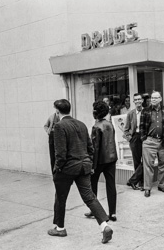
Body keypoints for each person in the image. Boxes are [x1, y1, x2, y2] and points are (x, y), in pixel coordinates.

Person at [48, 99, 113, 244]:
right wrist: (87, 162)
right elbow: (91, 148)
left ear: (57, 111)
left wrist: (58, 168)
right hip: (84, 166)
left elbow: (60, 153)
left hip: (68, 167)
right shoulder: (82, 124)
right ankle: (104, 226)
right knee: (89, 197)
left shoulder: (59, 126)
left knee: (60, 197)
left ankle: (60, 228)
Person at [85, 101, 118, 222]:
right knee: (111, 185)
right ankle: (112, 213)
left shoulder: (96, 127)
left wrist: (92, 165)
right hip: (111, 158)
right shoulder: (109, 124)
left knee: (93, 185)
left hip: (99, 161)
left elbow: (95, 148)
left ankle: (95, 210)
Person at [140, 91, 164, 197]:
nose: (153, 99)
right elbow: (141, 127)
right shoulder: (145, 111)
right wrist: (144, 139)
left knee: (163, 165)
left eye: (156, 98)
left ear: (160, 99)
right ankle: (147, 188)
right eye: (152, 98)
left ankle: (162, 185)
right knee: (148, 165)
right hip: (149, 141)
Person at [124, 93, 144, 190]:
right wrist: (130, 139)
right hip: (135, 137)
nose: (137, 101)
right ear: (133, 102)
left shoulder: (147, 112)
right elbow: (126, 129)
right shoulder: (131, 114)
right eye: (135, 100)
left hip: (145, 138)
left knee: (145, 160)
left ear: (142, 100)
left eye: (139, 99)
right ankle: (139, 183)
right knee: (136, 161)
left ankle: (133, 180)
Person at [43, 101, 60, 172]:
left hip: (60, 136)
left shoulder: (62, 117)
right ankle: (53, 172)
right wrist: (48, 131)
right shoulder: (51, 116)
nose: (57, 110)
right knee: (52, 155)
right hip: (52, 136)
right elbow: (45, 125)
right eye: (56, 108)